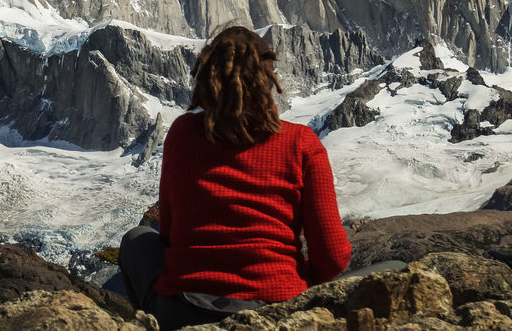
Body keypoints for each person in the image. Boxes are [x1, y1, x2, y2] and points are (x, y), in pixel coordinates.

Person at [117, 25, 351, 330]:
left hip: (185, 309)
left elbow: (170, 234)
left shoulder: (182, 134)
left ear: (207, 77)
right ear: (267, 79)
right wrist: (299, 284)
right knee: (396, 270)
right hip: (278, 309)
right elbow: (333, 257)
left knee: (136, 240)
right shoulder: (301, 143)